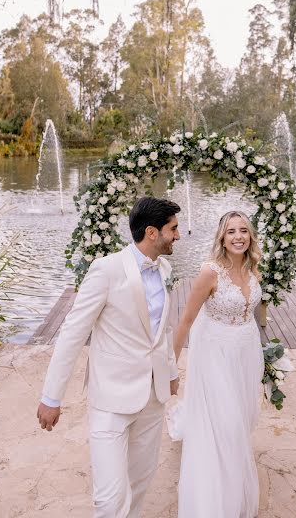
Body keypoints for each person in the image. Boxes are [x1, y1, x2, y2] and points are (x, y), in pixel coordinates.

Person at [37, 196, 181, 518]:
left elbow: (163, 330)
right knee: (110, 497)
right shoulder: (106, 269)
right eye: (173, 228)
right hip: (111, 397)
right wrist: (51, 397)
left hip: (153, 397)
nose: (179, 235)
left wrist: (170, 372)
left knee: (141, 481)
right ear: (152, 232)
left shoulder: (165, 268)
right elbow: (73, 333)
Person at [173, 210, 264, 518]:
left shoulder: (254, 269)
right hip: (215, 354)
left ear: (250, 235)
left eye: (243, 230)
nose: (238, 236)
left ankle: (232, 476)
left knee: (241, 418)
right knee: (224, 424)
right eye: (230, 232)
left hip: (246, 352)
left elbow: (253, 311)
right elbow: (185, 321)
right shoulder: (210, 272)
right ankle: (216, 498)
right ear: (222, 239)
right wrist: (172, 367)